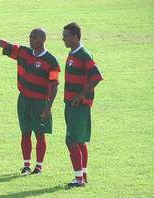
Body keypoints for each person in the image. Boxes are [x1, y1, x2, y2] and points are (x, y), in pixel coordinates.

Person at [0, 27, 60, 175]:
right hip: (24, 99)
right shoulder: (23, 52)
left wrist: (48, 107)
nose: (30, 40)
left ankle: (38, 167)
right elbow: (4, 44)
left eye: (34, 37)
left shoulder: (51, 61)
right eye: (30, 37)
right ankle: (26, 165)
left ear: (43, 39)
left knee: (39, 134)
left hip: (40, 103)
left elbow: (55, 85)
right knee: (25, 132)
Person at [62, 22, 103, 187]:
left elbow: (96, 76)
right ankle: (82, 175)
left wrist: (81, 95)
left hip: (78, 105)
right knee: (79, 141)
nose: (62, 39)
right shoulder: (73, 53)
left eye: (65, 36)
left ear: (75, 37)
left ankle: (78, 179)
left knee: (71, 140)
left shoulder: (84, 54)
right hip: (71, 104)